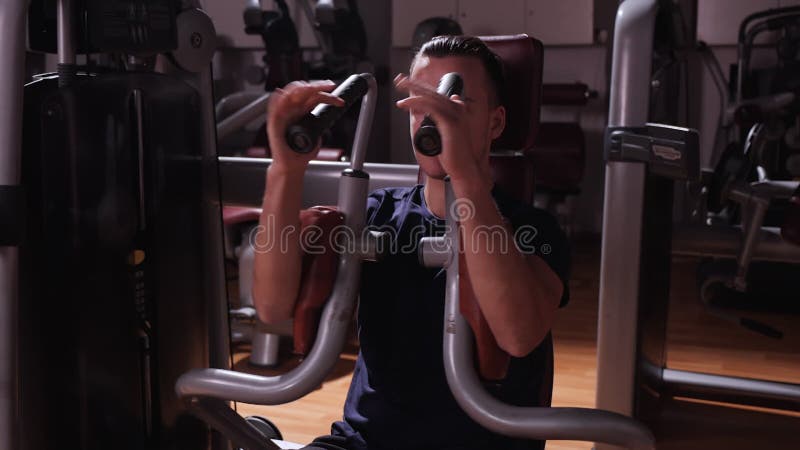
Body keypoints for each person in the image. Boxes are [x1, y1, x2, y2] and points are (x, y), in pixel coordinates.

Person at [252, 35, 571, 450]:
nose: (431, 120)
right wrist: (285, 170)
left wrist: (465, 175)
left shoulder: (533, 229)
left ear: (495, 122)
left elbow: (518, 334)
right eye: (421, 105)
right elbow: (272, 307)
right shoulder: (377, 214)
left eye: (453, 105)